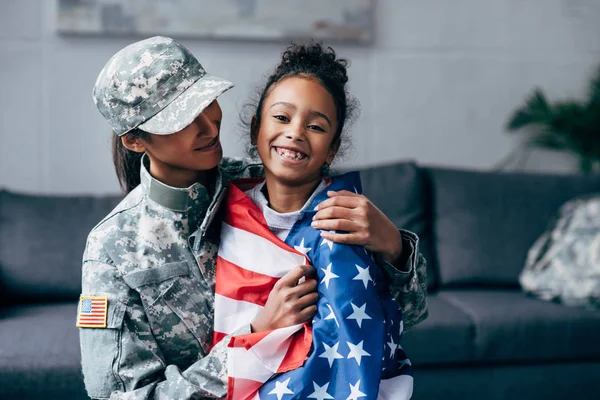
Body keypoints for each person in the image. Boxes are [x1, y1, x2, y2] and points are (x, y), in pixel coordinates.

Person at [79, 36, 427, 400]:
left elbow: (401, 316)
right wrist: (257, 337)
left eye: (206, 102)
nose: (210, 128)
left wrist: (394, 247)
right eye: (180, 120)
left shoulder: (266, 183)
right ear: (135, 141)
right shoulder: (112, 251)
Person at [212, 42, 415, 399]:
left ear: (332, 149)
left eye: (317, 127)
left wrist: (395, 246)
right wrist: (263, 327)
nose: (296, 132)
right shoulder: (217, 201)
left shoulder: (346, 219)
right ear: (255, 129)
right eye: (281, 117)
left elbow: (387, 319)